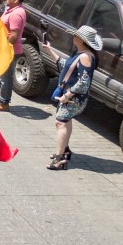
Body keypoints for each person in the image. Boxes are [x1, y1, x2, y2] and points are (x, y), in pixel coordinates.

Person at [43, 26, 100, 170]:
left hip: (72, 99)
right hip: (68, 96)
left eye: (75, 36)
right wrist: (49, 50)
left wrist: (66, 96)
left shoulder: (86, 57)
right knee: (65, 122)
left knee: (60, 123)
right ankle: (65, 151)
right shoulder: (80, 53)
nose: (73, 37)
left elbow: (83, 83)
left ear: (81, 40)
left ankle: (59, 158)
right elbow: (65, 66)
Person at [0, 0, 26, 112]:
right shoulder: (10, 10)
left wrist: (5, 49)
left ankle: (4, 103)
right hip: (1, 48)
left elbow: (14, 36)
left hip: (9, 50)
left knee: (5, 78)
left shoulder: (16, 14)